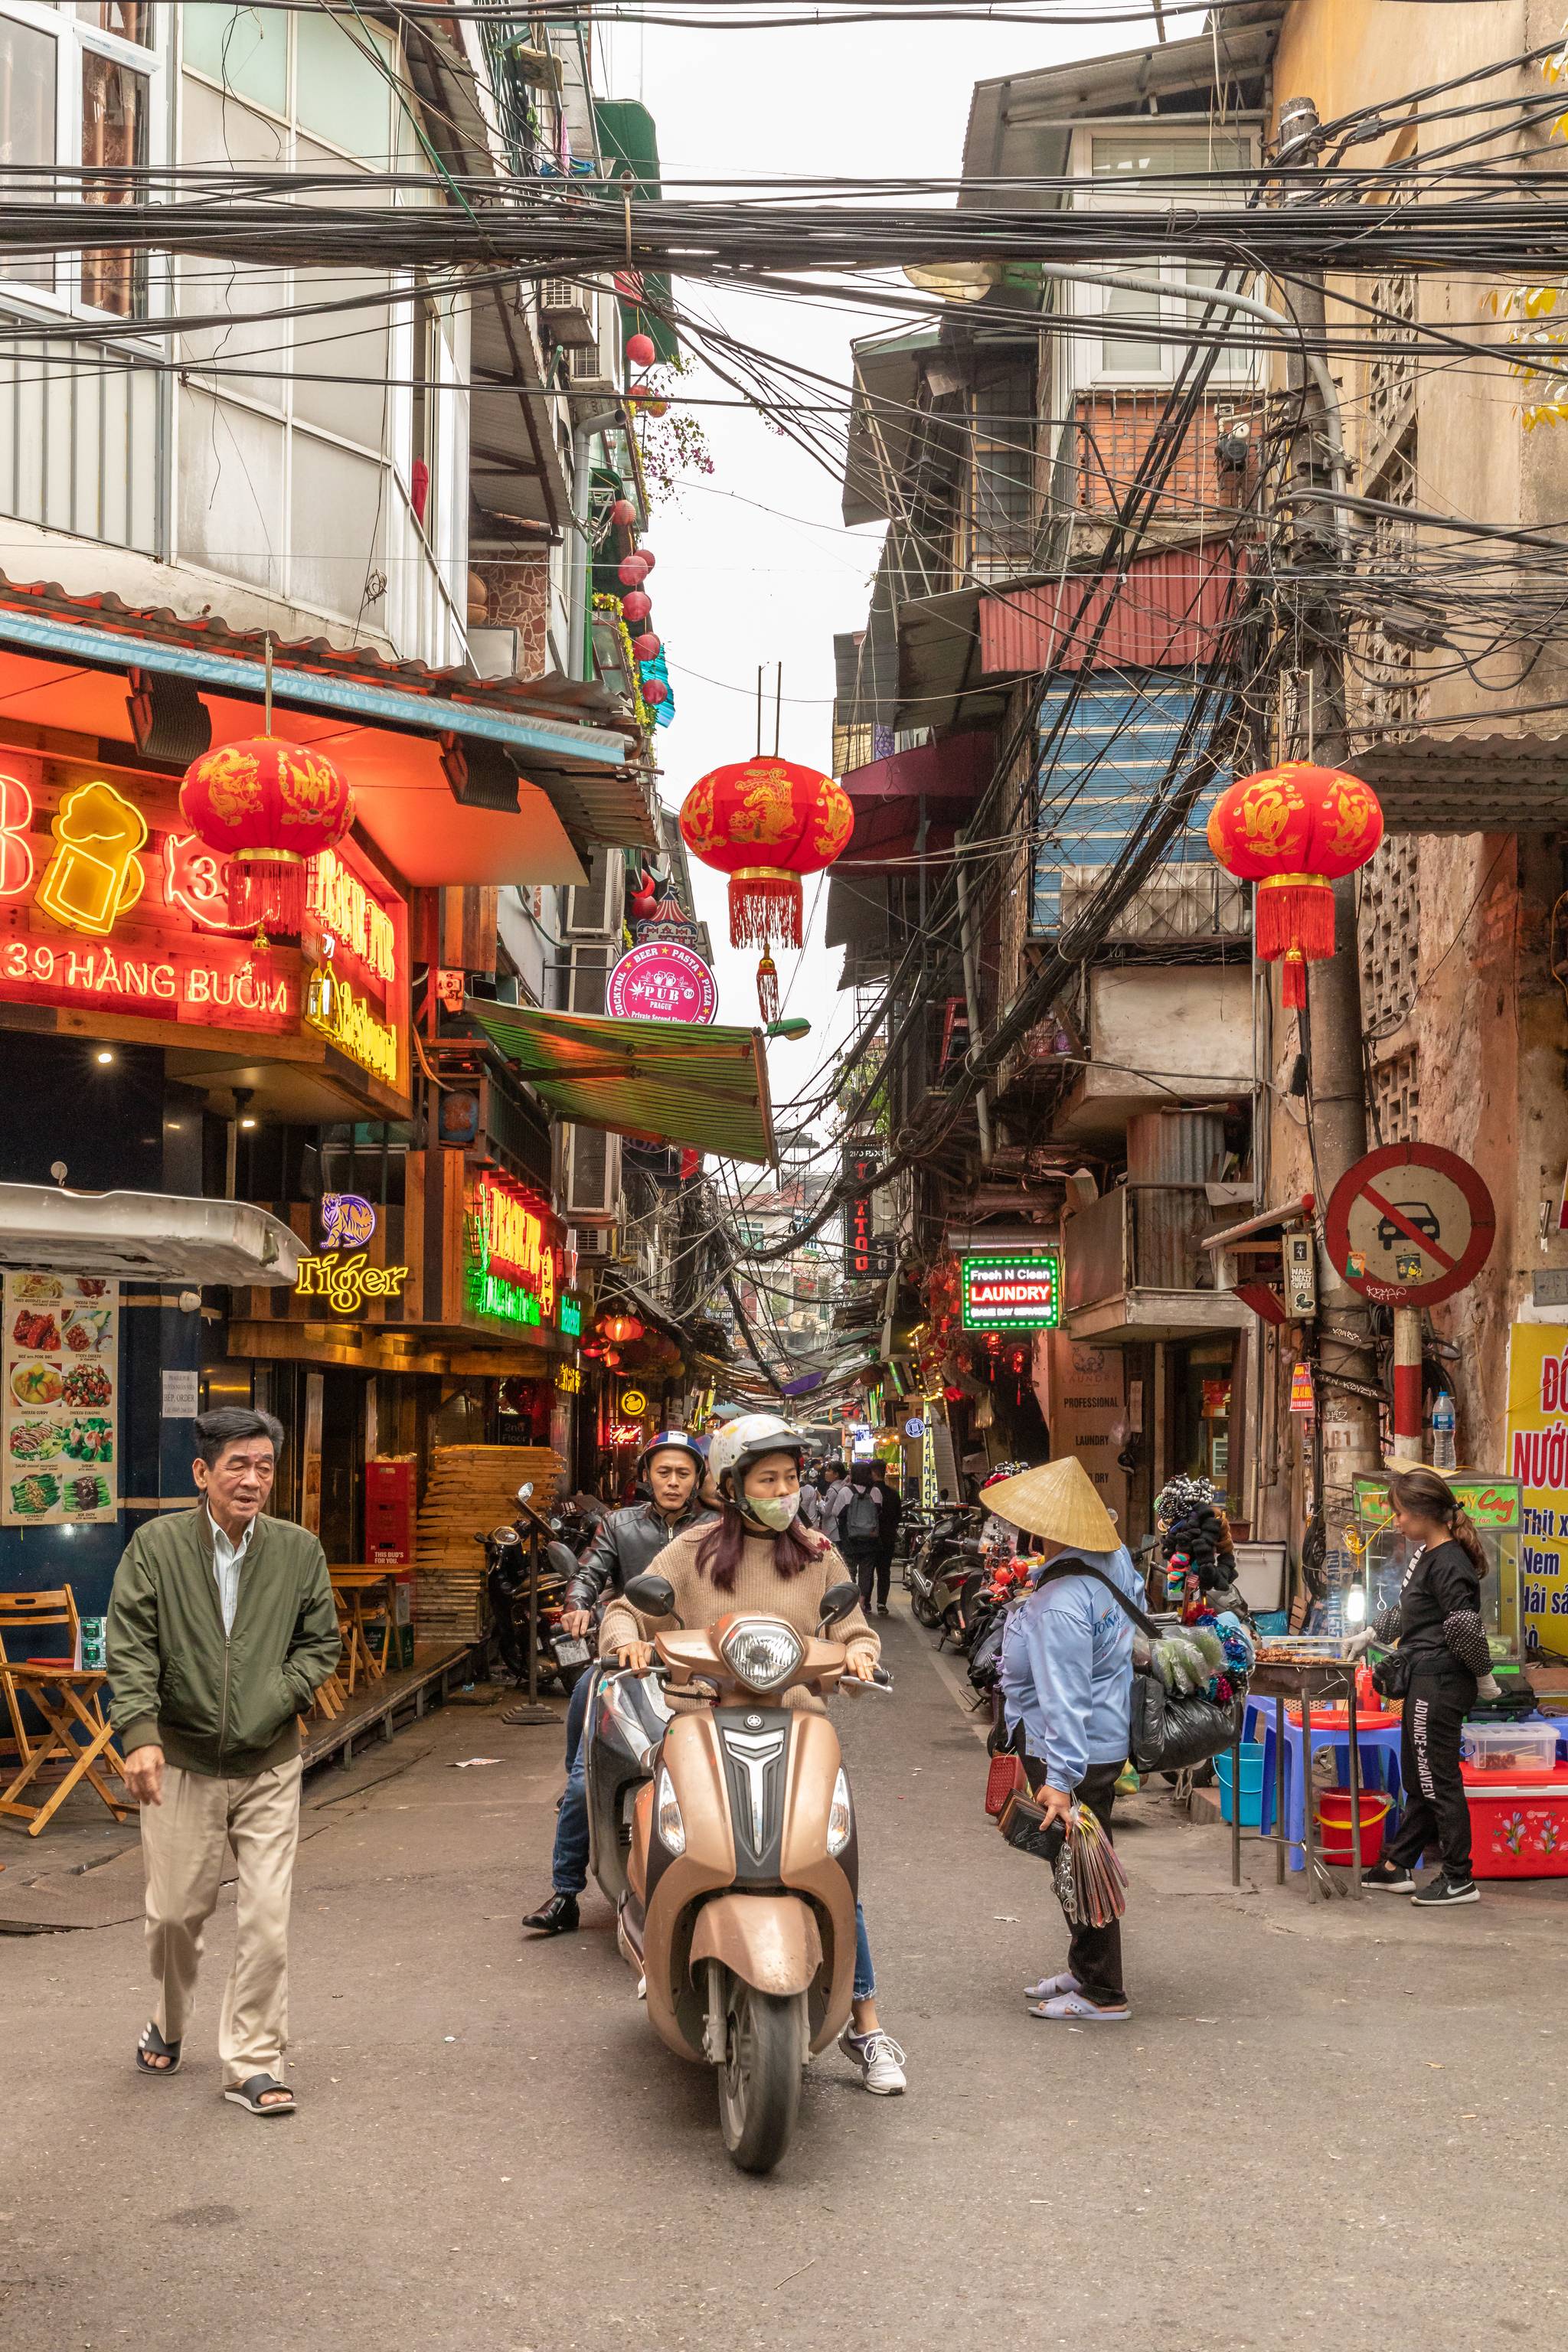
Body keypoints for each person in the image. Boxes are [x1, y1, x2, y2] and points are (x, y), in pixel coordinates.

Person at [601, 1412, 907, 2096]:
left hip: (799, 1733)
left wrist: (860, 1651)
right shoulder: (692, 1553)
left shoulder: (820, 1553)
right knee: (675, 1842)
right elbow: (630, 1609)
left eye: (791, 1478)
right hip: (704, 1727)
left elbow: (851, 1625)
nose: (784, 1490)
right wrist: (626, 1640)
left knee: (828, 1867)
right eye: (768, 1479)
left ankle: (866, 2023)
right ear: (735, 1485)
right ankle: (660, 1949)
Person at [105, 1407, 341, 2118]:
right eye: (238, 1465)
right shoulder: (155, 1546)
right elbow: (132, 1644)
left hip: (268, 1760)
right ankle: (170, 2021)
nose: (253, 1480)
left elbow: (320, 1645)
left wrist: (276, 1695)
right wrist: (140, 1730)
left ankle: (253, 2060)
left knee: (267, 1916)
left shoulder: (299, 1550)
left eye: (265, 1467)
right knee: (175, 1915)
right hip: (180, 1761)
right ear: (202, 1473)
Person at [521, 1432, 715, 1936]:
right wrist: (577, 1605)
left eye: (683, 1473)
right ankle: (566, 1893)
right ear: (647, 1476)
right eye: (664, 1472)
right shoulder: (618, 1524)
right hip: (629, 1664)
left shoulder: (716, 1531)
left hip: (702, 1669)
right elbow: (590, 1571)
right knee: (585, 1775)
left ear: (698, 1480)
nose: (673, 1482)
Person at [991, 1455, 1144, 2024]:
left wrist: (1059, 1780)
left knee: (1081, 1865)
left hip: (1071, 1748)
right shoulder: (1114, 1558)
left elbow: (1063, 1694)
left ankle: (1104, 1992)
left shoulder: (1059, 1604)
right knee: (1075, 1859)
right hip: (1102, 1736)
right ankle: (1084, 1969)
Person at [1354, 1465, 1498, 1906]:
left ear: (1423, 1512)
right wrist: (1371, 1634)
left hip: (1441, 1682)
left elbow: (1462, 1628)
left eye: (1400, 1514)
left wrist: (1484, 1676)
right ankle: (1397, 1865)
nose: (1396, 1522)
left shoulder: (1450, 1561)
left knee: (1438, 1780)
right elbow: (1407, 1610)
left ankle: (1459, 1877)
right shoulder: (1427, 1556)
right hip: (1425, 1678)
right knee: (1420, 1778)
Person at [833, 1460, 887, 1612]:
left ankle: (852, 1602)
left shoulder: (846, 1492)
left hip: (850, 1539)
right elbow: (879, 1512)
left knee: (850, 1571)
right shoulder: (875, 1492)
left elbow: (836, 1513)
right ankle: (863, 1601)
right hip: (871, 1540)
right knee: (867, 1573)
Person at [871, 1460, 901, 1615]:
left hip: (870, 1537)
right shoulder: (894, 1493)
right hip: (888, 1537)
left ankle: (866, 1603)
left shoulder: (868, 1493)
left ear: (873, 1473)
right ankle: (882, 1603)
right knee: (884, 1572)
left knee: (868, 1571)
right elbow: (898, 1517)